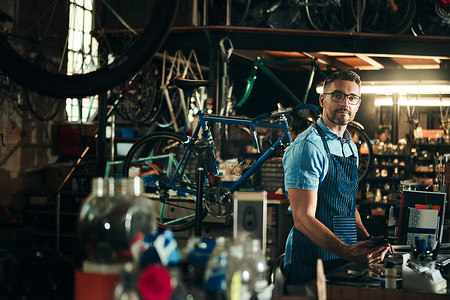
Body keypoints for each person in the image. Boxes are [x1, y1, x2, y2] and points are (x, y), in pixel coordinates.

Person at [283, 70, 391, 284]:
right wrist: (346, 251)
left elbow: (346, 204)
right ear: (322, 100)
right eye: (338, 96)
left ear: (358, 104)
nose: (345, 103)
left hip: (343, 259)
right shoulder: (308, 147)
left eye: (352, 98)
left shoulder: (350, 146)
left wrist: (367, 241)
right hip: (311, 261)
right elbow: (302, 218)